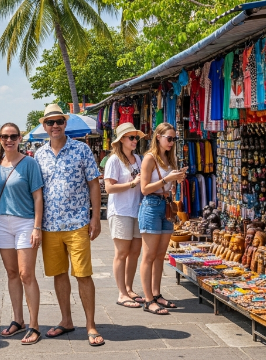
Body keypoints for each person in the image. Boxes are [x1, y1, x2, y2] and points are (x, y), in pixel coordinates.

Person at [34, 104, 105, 347]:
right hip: (49, 225)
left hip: (77, 223)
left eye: (59, 122)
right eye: (50, 123)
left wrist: (95, 217)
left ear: (65, 124)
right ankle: (66, 320)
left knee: (83, 274)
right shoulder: (39, 154)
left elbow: (94, 184)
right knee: (58, 274)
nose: (55, 126)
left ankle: (91, 324)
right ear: (44, 126)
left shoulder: (81, 149)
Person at [0, 123, 44, 345]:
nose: (9, 140)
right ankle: (18, 320)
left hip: (25, 222)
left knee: (26, 274)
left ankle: (34, 325)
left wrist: (37, 227)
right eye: (5, 136)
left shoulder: (29, 163)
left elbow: (38, 197)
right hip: (2, 222)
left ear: (20, 138)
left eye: (13, 136)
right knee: (12, 273)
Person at [139, 122, 186, 315]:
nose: (172, 142)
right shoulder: (149, 159)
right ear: (158, 137)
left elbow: (168, 185)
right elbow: (144, 189)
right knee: (149, 256)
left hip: (166, 206)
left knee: (160, 255)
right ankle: (148, 299)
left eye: (174, 139)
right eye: (169, 138)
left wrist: (178, 179)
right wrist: (167, 179)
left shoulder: (170, 158)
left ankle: (157, 294)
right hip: (151, 205)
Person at [103, 122, 146, 308]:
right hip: (120, 211)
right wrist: (132, 183)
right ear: (121, 140)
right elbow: (109, 188)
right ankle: (121, 293)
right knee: (122, 253)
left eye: (136, 137)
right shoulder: (114, 160)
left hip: (137, 209)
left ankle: (129, 288)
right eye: (131, 137)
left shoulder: (138, 158)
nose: (135, 140)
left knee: (135, 252)